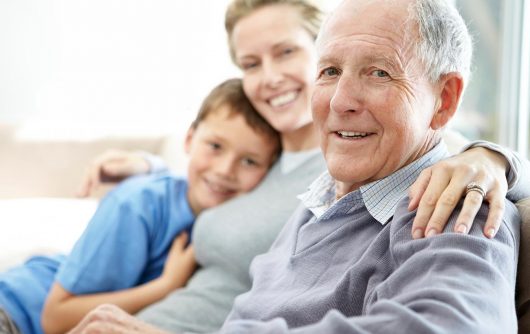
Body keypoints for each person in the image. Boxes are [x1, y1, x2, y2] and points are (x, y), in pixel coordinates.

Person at [69, 0, 530, 333]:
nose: (340, 101)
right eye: (329, 71)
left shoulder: (451, 206)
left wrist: (495, 159)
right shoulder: (322, 192)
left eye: (379, 72)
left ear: (444, 100)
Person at [0, 78, 281, 334]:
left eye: (249, 161)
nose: (224, 170)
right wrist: (165, 286)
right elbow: (55, 318)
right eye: (215, 146)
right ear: (189, 139)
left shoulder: (232, 223)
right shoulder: (136, 205)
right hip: (15, 311)